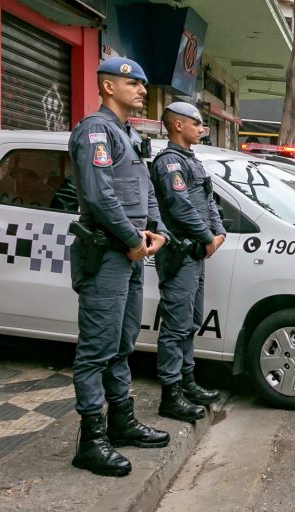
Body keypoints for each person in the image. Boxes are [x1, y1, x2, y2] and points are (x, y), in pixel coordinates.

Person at [67, 57, 171, 478]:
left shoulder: (129, 136)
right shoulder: (94, 131)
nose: (143, 90)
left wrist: (156, 231)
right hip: (108, 253)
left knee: (123, 341)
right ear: (109, 87)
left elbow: (143, 190)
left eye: (144, 83)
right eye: (134, 83)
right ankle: (91, 441)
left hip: (131, 255)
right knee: (96, 348)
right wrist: (132, 240)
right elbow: (97, 194)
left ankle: (120, 421)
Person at [150, 102, 227, 423]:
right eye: (197, 123)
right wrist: (208, 238)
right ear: (178, 126)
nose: (201, 127)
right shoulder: (169, 163)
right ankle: (171, 394)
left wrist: (218, 232)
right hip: (180, 254)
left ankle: (187, 383)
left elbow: (208, 199)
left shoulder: (191, 161)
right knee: (176, 325)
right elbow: (180, 207)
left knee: (191, 321)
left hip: (196, 254)